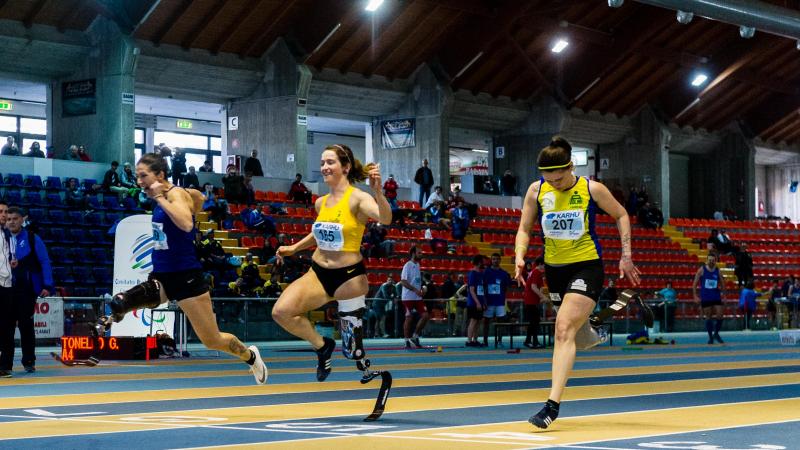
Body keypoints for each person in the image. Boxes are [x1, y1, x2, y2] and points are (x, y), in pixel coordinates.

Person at [97, 153, 268, 384]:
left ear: (159, 175)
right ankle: (112, 315)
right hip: (162, 274)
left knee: (212, 340)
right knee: (122, 301)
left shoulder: (173, 194)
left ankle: (250, 356)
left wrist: (161, 198)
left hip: (187, 277)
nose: (139, 181)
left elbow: (186, 223)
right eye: (137, 176)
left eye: (143, 176)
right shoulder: (162, 196)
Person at [513, 136, 640, 429]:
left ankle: (551, 406)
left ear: (571, 167)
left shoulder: (591, 189)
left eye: (559, 178)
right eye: (549, 179)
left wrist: (626, 255)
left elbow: (621, 214)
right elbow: (524, 229)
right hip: (554, 271)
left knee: (562, 329)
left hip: (587, 266)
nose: (555, 184)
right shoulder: (536, 191)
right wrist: (519, 256)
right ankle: (594, 325)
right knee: (579, 338)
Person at [271, 144, 391, 381]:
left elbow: (385, 218)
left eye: (330, 162)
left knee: (353, 352)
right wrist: (294, 248)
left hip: (348, 278)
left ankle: (361, 362)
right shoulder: (321, 202)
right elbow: (320, 233)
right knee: (281, 312)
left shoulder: (358, 198)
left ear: (345, 167)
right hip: (318, 273)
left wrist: (378, 192)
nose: (325, 167)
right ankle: (321, 346)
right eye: (322, 163)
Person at [0, 207, 53, 375]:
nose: (12, 222)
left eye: (15, 218)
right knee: (6, 327)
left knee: (26, 325)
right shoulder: (3, 238)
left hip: (26, 290)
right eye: (8, 219)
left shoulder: (32, 238)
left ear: (23, 219)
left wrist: (47, 285)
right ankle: (5, 365)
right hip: (6, 289)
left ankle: (29, 361)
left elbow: (44, 261)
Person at [399, 246, 429, 349]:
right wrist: (415, 290)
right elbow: (403, 281)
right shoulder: (407, 265)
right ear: (413, 253)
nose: (421, 254)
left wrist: (423, 289)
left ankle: (415, 336)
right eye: (419, 253)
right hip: (408, 297)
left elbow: (417, 281)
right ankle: (406, 340)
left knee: (425, 316)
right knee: (409, 318)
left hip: (417, 297)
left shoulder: (418, 265)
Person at [693, 253, 726, 344]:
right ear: (707, 260)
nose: (711, 262)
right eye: (710, 260)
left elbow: (723, 283)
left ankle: (716, 333)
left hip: (716, 296)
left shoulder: (718, 270)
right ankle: (710, 337)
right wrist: (695, 295)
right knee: (708, 317)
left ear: (715, 261)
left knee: (720, 315)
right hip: (706, 296)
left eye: (713, 260)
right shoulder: (701, 270)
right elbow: (695, 283)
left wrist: (724, 295)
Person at [482, 253, 511, 346]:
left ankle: (499, 340)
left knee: (501, 322)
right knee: (486, 321)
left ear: (500, 260)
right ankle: (485, 341)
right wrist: (484, 300)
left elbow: (506, 287)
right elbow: (483, 286)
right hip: (489, 302)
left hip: (500, 302)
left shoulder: (504, 273)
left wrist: (501, 296)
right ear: (491, 260)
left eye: (497, 259)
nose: (495, 261)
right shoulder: (486, 272)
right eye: (493, 259)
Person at [0, 202, 13, 377]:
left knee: (7, 327)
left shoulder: (9, 235)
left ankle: (5, 366)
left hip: (8, 285)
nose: (3, 215)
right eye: (1, 212)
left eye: (5, 212)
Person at [523, 256, 546, 348]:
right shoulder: (536, 272)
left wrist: (541, 297)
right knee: (535, 322)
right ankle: (533, 341)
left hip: (531, 300)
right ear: (540, 264)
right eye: (545, 265)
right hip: (531, 301)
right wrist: (543, 296)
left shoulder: (534, 272)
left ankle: (529, 341)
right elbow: (533, 287)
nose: (545, 268)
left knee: (534, 322)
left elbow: (538, 287)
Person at [465, 254, 486, 347]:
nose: (484, 263)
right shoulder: (473, 274)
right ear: (479, 262)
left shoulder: (481, 274)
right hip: (473, 302)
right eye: (483, 261)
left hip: (480, 302)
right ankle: (469, 341)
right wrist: (477, 302)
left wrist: (483, 302)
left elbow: (481, 289)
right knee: (473, 321)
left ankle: (475, 339)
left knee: (478, 321)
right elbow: (471, 290)